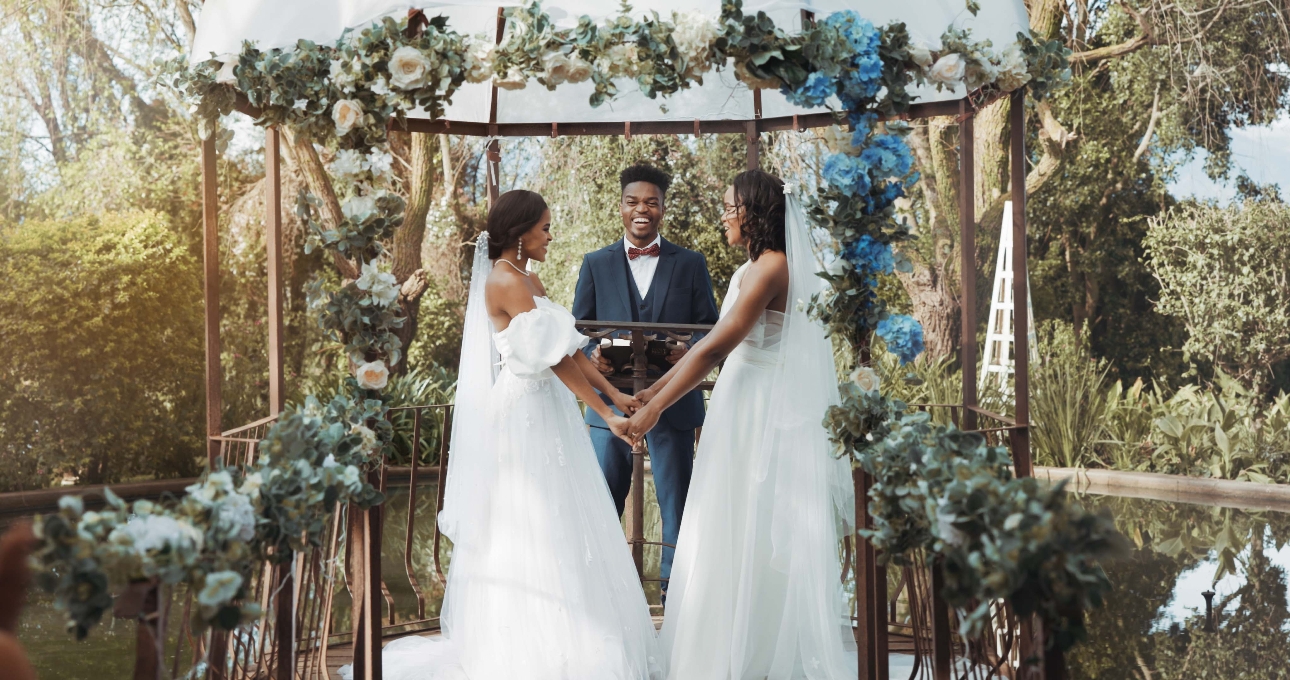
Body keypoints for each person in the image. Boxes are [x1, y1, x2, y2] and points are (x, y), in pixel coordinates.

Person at [359, 190, 664, 680]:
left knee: (568, 516)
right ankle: (537, 647)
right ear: (522, 233)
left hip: (549, 410)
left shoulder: (527, 276)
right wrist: (607, 415)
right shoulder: (504, 280)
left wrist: (617, 394)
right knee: (533, 522)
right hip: (525, 412)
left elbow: (570, 346)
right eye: (544, 227)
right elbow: (553, 359)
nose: (550, 234)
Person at [626, 170, 857, 679]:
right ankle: (716, 650)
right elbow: (711, 347)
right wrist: (654, 391)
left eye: (729, 207)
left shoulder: (773, 266)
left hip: (761, 413)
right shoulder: (752, 266)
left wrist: (655, 408)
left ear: (753, 212)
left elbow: (714, 348)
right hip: (738, 404)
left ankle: (750, 657)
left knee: (750, 526)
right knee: (723, 525)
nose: (723, 216)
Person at [571, 164, 720, 603]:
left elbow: (709, 328)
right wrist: (590, 354)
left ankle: (677, 599)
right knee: (602, 500)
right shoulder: (594, 263)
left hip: (673, 400)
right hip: (609, 401)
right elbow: (579, 330)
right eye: (634, 201)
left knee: (676, 502)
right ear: (621, 207)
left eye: (651, 202)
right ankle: (601, 594)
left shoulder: (691, 263)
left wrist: (687, 349)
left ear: (662, 208)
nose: (642, 210)